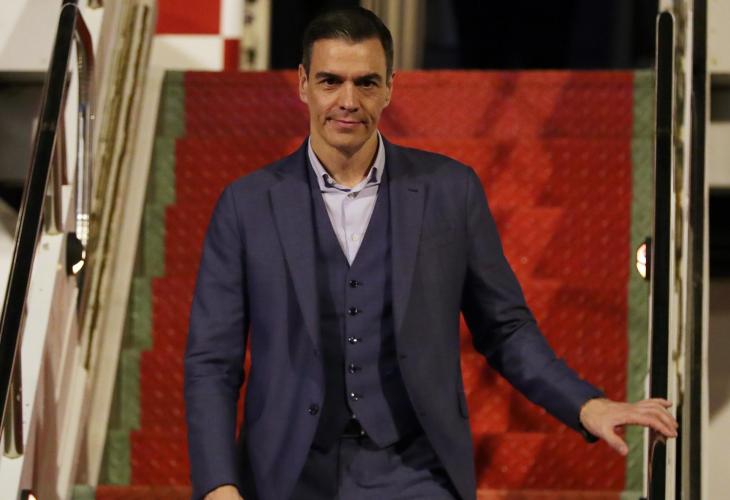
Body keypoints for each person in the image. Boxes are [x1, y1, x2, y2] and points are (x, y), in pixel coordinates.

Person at [184, 7, 678, 500]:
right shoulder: (247, 204)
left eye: (366, 83)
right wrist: (218, 485)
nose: (348, 101)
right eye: (330, 81)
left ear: (390, 87)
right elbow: (212, 360)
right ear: (302, 84)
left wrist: (586, 405)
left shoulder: (450, 191)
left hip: (414, 469)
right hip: (286, 472)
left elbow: (504, 327)